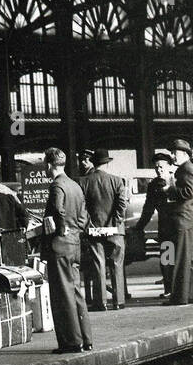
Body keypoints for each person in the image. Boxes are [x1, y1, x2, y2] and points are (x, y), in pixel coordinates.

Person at [40, 147, 92, 354]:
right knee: (76, 291)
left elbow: (59, 211)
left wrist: (61, 229)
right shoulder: (75, 185)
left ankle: (71, 342)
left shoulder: (57, 186)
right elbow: (84, 215)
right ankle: (86, 339)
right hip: (74, 245)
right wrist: (74, 231)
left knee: (63, 294)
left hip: (59, 246)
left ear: (49, 164)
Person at [79, 147, 129, 311]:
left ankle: (101, 302)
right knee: (116, 263)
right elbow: (122, 204)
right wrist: (116, 220)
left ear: (93, 163)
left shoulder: (84, 181)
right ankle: (118, 301)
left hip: (94, 230)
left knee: (98, 264)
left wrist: (89, 224)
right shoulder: (117, 181)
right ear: (107, 164)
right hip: (115, 230)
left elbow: (82, 207)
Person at [134, 151, 179, 297]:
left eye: (161, 167)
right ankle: (169, 289)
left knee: (181, 258)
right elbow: (148, 209)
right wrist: (139, 226)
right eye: (156, 168)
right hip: (165, 227)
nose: (158, 170)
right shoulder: (153, 185)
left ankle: (182, 288)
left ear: (169, 166)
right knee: (167, 258)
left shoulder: (177, 181)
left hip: (180, 225)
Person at [167, 139, 193, 305]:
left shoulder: (185, 169)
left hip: (183, 217)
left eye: (175, 153)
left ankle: (179, 297)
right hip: (189, 218)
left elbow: (188, 192)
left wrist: (170, 189)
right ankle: (192, 295)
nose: (172, 155)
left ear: (185, 154)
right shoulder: (190, 168)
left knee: (180, 258)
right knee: (190, 258)